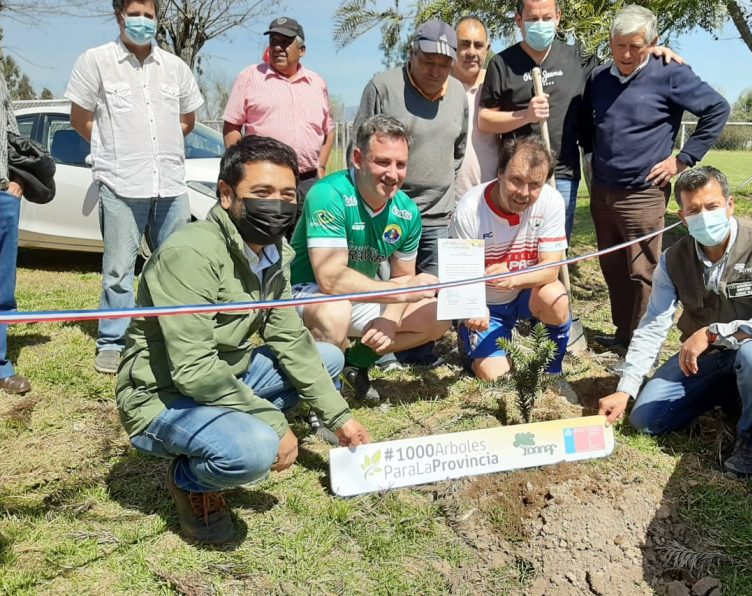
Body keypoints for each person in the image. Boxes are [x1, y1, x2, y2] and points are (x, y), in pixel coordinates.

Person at [116, 135, 372, 545]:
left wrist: (339, 418)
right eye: (262, 193)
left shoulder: (274, 254)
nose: (277, 206)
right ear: (226, 195)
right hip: (162, 395)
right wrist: (271, 422)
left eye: (287, 195)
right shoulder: (192, 254)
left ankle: (230, 425)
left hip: (225, 374)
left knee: (325, 357)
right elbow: (194, 370)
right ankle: (190, 481)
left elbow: (292, 340)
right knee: (254, 449)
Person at [598, 166, 752, 478]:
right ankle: (726, 392)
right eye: (694, 210)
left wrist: (712, 333)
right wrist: (627, 387)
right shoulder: (672, 259)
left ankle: (751, 441)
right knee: (647, 420)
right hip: (706, 358)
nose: (704, 216)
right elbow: (653, 325)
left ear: (730, 205)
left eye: (712, 206)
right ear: (682, 216)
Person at [65, 0, 203, 374]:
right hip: (120, 184)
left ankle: (177, 336)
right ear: (119, 16)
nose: (142, 22)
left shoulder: (175, 67)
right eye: (135, 14)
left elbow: (188, 120)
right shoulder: (95, 61)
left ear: (158, 19)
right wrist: (116, 147)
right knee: (118, 269)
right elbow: (81, 118)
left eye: (150, 15)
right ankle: (113, 341)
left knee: (176, 266)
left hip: (171, 184)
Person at [580, 4, 729, 350]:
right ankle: (622, 333)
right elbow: (588, 122)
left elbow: (717, 109)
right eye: (620, 45)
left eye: (636, 46)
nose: (627, 54)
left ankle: (639, 344)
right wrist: (591, 155)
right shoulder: (599, 77)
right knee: (612, 266)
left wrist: (683, 160)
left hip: (643, 193)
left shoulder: (670, 73)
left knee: (643, 270)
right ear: (610, 42)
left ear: (653, 42)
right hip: (602, 190)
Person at [479, 0, 682, 244]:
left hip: (562, 173)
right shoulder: (502, 64)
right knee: (513, 245)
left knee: (552, 249)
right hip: (516, 176)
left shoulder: (578, 58)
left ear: (558, 17)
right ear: (519, 20)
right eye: (533, 19)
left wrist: (653, 54)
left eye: (546, 18)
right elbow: (485, 120)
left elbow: (623, 66)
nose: (540, 24)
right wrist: (526, 115)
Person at [291, 115, 451, 402]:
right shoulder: (329, 194)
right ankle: (321, 397)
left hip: (357, 295)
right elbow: (331, 280)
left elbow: (403, 276)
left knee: (438, 315)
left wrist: (390, 319)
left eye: (400, 164)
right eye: (382, 162)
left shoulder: (407, 212)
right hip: (304, 292)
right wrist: (398, 293)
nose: (393, 174)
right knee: (335, 311)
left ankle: (357, 364)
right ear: (357, 158)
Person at [449, 135, 576, 403]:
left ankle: (553, 373)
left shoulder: (551, 201)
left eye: (534, 184)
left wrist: (512, 278)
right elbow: (460, 281)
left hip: (524, 295)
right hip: (487, 305)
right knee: (496, 377)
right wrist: (471, 309)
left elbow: (551, 269)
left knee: (556, 296)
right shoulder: (470, 210)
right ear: (499, 173)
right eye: (516, 180)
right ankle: (470, 340)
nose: (523, 193)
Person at [352, 19, 467, 275]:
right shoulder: (382, 87)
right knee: (381, 295)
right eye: (428, 61)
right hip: (385, 214)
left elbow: (458, 151)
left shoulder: (459, 93)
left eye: (444, 64)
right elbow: (358, 150)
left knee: (432, 299)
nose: (435, 71)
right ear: (411, 53)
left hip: (437, 218)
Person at [223, 17, 334, 216]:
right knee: (265, 241)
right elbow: (231, 127)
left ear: (302, 50)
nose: (278, 48)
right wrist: (238, 169)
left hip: (308, 182)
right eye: (274, 41)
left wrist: (322, 167)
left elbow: (330, 131)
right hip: (265, 181)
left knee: (305, 243)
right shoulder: (250, 77)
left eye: (285, 42)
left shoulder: (317, 83)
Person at [0, 75, 29, 395]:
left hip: (3, 194)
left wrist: (18, 181)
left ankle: (1, 364)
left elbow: (9, 126)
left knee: (3, 286)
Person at [452, 16, 500, 199]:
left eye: (478, 45)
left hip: (491, 197)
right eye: (464, 44)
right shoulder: (440, 87)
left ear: (487, 49)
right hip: (449, 200)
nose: (471, 52)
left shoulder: (497, 87)